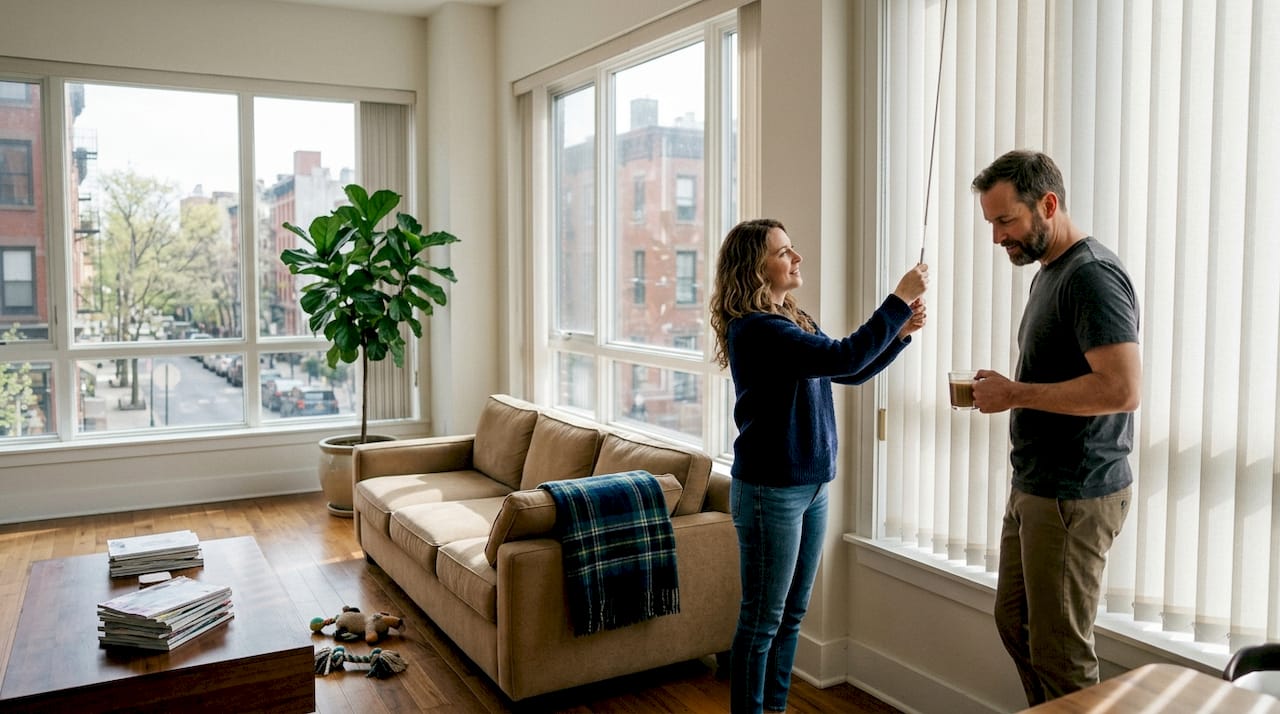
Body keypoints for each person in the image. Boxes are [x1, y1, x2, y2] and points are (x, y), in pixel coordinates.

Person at [710, 218, 928, 714]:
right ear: (755, 266)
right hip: (771, 492)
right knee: (762, 622)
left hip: (811, 486)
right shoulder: (758, 329)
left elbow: (847, 371)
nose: (797, 258)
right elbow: (847, 356)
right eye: (784, 251)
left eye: (793, 248)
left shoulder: (790, 317)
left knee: (791, 616)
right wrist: (897, 300)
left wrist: (898, 335)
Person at [969, 150, 1141, 705]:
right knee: (1015, 624)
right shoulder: (1050, 272)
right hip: (1036, 485)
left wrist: (1013, 394)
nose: (997, 237)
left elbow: (1121, 389)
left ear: (1048, 204)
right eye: (992, 223)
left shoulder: (1091, 276)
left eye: (1005, 221)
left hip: (1074, 493)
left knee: (1061, 653)